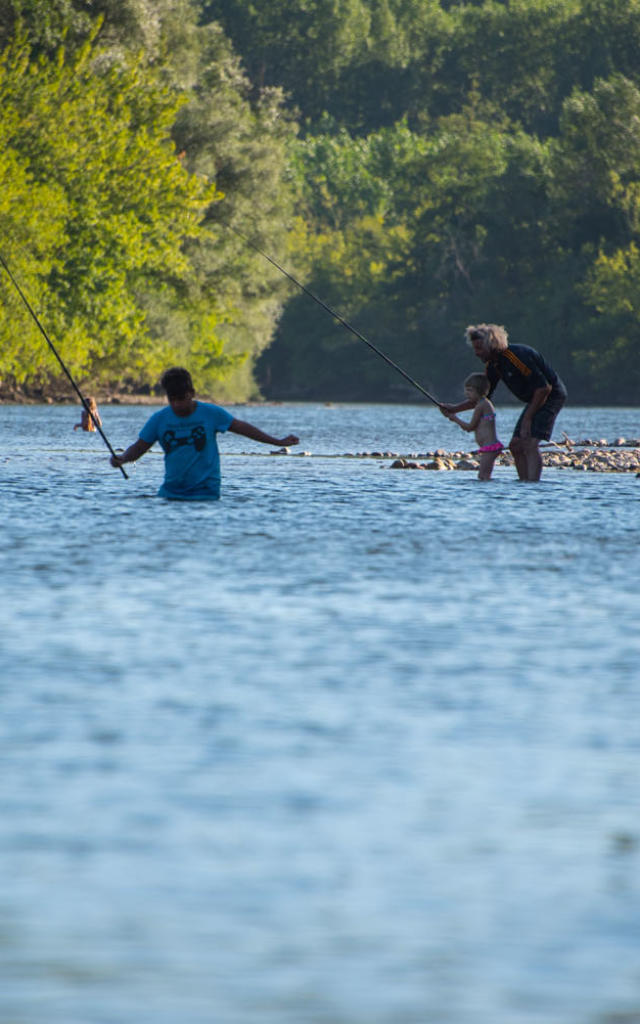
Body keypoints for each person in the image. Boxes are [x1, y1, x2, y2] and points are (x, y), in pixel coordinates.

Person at [109, 367, 299, 500]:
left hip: (206, 494)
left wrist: (277, 442)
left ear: (191, 393)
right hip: (171, 493)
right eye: (172, 399)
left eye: (181, 399)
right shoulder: (160, 419)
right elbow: (140, 447)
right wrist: (123, 458)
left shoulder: (211, 414)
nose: (177, 405)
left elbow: (243, 428)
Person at [440, 324, 567, 481]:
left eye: (479, 348)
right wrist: (454, 409)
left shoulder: (516, 357)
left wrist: (528, 418)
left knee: (529, 443)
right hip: (535, 398)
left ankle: (533, 486)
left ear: (491, 345)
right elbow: (482, 397)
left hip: (550, 396)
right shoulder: (494, 365)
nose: (476, 353)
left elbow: (544, 388)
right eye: (474, 348)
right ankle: (523, 484)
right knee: (515, 446)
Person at [443, 372, 504, 480]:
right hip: (488, 447)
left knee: (483, 476)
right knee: (484, 476)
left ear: (479, 391)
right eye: (466, 390)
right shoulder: (482, 404)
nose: (466, 393)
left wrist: (455, 418)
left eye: (470, 390)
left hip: (490, 447)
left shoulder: (481, 405)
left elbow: (470, 427)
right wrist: (451, 411)